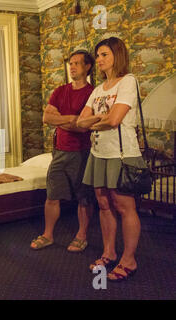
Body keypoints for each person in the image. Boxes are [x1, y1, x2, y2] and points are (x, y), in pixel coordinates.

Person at [77, 37, 144, 281]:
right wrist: (101, 118)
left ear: (118, 55)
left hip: (121, 153)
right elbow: (79, 122)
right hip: (99, 153)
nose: (99, 59)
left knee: (124, 206)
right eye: (98, 55)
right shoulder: (97, 90)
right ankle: (109, 252)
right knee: (103, 204)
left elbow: (114, 120)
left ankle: (129, 259)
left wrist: (95, 119)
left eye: (104, 54)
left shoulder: (128, 82)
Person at [30, 50, 95, 252]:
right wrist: (71, 118)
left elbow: (84, 127)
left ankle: (81, 235)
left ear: (87, 67)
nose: (72, 67)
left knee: (83, 196)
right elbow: (47, 118)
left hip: (82, 151)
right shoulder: (60, 91)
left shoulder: (92, 93)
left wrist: (63, 119)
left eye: (77, 63)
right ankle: (48, 234)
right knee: (52, 195)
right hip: (59, 151)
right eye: (70, 63)